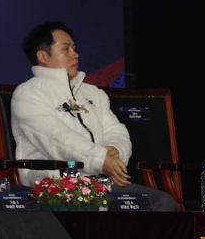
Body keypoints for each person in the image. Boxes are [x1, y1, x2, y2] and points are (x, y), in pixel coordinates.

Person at [11, 21, 176, 211]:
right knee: (91, 210)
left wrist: (115, 150)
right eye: (66, 49)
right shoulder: (28, 94)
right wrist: (100, 159)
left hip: (102, 184)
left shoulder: (93, 93)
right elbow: (57, 139)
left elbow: (116, 130)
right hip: (57, 186)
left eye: (75, 48)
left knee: (162, 203)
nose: (75, 54)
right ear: (43, 56)